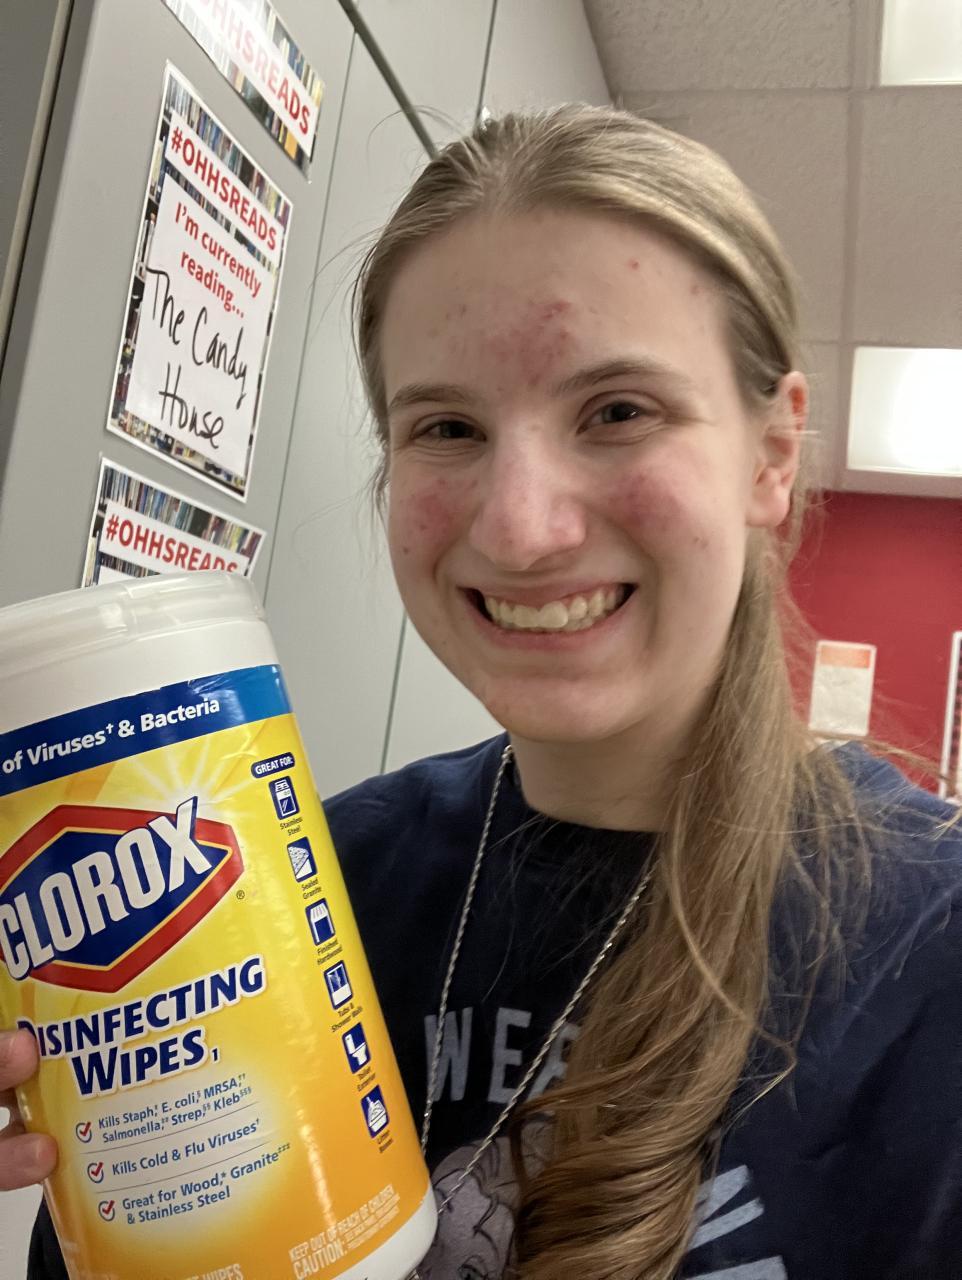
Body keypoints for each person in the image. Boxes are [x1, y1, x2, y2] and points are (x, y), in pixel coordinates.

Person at [5, 106, 962, 1280]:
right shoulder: (316, 882)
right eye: (448, 426)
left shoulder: (930, 949)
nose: (517, 528)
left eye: (617, 411)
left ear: (770, 453)